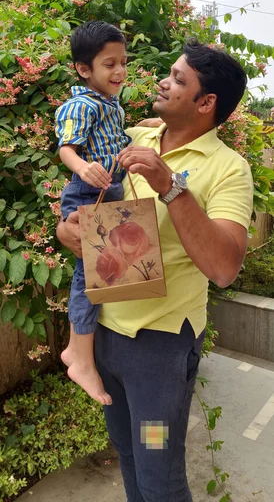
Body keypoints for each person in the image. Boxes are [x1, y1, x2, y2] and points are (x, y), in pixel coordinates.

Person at [57, 39, 253, 502]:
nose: (163, 81)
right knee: (126, 451)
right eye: (171, 72)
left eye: (179, 79)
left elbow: (224, 267)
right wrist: (73, 233)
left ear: (207, 104)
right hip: (104, 337)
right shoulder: (134, 138)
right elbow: (94, 218)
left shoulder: (229, 170)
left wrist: (171, 185)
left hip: (158, 353)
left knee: (158, 472)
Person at [55, 20, 160, 406]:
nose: (120, 71)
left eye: (123, 63)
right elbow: (68, 147)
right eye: (109, 64)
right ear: (85, 70)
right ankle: (78, 355)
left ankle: (83, 352)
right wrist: (82, 168)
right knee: (91, 273)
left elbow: (111, 139)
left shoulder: (109, 103)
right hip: (88, 190)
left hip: (108, 189)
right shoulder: (80, 104)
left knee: (107, 270)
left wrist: (141, 127)